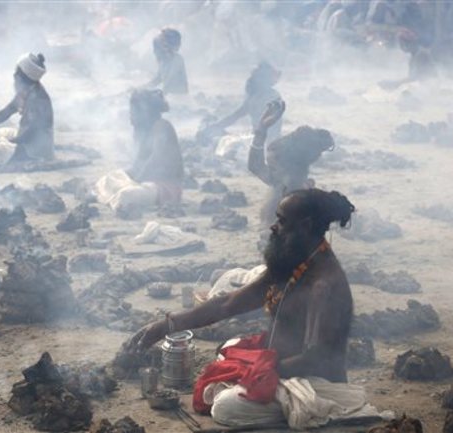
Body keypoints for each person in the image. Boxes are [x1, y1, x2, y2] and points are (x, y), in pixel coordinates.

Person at [127, 189, 363, 427]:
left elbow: (316, 357)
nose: (273, 227)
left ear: (306, 225)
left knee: (224, 407)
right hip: (276, 365)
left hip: (313, 384)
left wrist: (262, 373)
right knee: (228, 348)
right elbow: (229, 303)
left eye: (281, 221)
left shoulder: (323, 284)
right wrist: (167, 325)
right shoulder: (295, 262)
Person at [95, 89, 184, 214]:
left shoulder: (162, 127)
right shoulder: (142, 132)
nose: (131, 117)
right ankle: (114, 199)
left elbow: (155, 161)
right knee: (107, 179)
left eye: (134, 113)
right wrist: (125, 174)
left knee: (127, 195)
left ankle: (114, 201)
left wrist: (135, 181)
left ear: (146, 112)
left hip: (164, 188)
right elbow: (137, 165)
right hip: (143, 183)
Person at [249, 99, 335, 224]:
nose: (269, 167)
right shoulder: (288, 182)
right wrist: (262, 129)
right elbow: (255, 166)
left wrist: (262, 130)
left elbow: (256, 166)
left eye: (273, 165)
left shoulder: (292, 194)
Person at [0, 53, 54, 164]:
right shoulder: (26, 91)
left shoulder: (38, 99)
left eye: (17, 72)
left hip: (35, 148)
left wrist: (10, 142)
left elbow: (31, 133)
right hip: (24, 137)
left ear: (22, 76)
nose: (14, 75)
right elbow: (4, 114)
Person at [203, 62, 282, 145]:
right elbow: (236, 116)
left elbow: (235, 116)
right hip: (267, 141)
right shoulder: (268, 96)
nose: (250, 82)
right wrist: (216, 127)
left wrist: (215, 127)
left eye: (256, 78)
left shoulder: (262, 98)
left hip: (264, 142)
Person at [146, 28, 188, 95]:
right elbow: (157, 80)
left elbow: (169, 84)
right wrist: (140, 89)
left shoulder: (176, 60)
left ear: (166, 48)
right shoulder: (164, 62)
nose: (154, 52)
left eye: (157, 48)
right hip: (170, 97)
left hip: (178, 98)